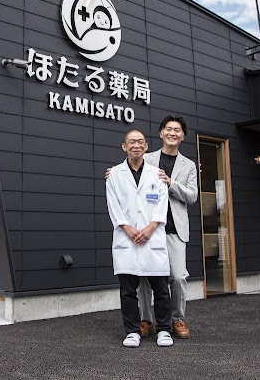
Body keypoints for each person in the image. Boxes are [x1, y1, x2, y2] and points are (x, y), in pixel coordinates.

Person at [106, 116, 198, 339]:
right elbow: (129, 167)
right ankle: (146, 319)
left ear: (183, 136)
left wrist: (171, 182)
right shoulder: (148, 157)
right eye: (168, 129)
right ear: (161, 133)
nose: (172, 133)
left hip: (172, 227)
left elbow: (192, 196)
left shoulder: (188, 165)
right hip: (143, 229)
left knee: (177, 277)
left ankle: (176, 319)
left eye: (177, 130)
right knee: (144, 278)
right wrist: (112, 173)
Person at [106, 129, 174, 348]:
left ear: (146, 147)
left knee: (161, 290)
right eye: (132, 142)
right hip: (126, 239)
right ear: (124, 147)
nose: (136, 145)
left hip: (152, 238)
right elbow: (113, 205)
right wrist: (126, 228)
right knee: (128, 291)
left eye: (140, 142)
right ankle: (132, 331)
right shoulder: (114, 174)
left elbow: (162, 205)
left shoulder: (158, 174)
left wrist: (150, 228)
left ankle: (164, 330)